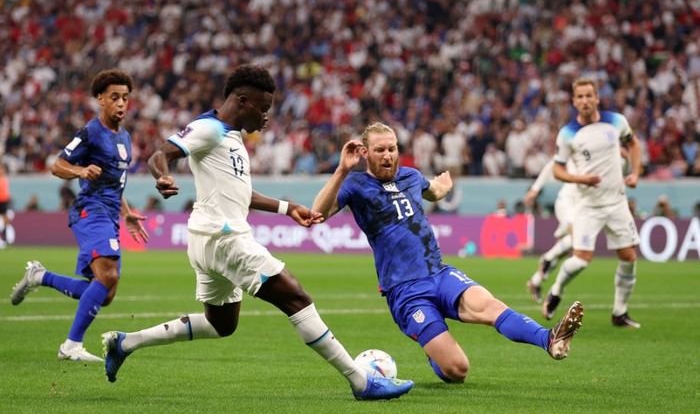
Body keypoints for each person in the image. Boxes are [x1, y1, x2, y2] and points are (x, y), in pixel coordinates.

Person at [100, 65, 413, 401]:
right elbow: (160, 154)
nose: (266, 117)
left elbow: (240, 193)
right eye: (262, 109)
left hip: (206, 239)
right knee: (296, 298)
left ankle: (125, 342)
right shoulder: (210, 129)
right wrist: (162, 176)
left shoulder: (232, 137)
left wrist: (287, 207)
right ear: (243, 100)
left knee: (222, 324)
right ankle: (362, 382)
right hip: (224, 239)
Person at [312, 122, 584, 384]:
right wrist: (341, 171)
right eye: (380, 150)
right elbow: (318, 214)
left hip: (439, 273)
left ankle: (550, 339)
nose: (387, 156)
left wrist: (443, 186)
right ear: (365, 153)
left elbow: (432, 193)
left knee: (491, 307)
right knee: (458, 370)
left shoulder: (411, 176)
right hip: (406, 291)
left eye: (392, 149)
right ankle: (434, 354)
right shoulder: (355, 185)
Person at [10, 69, 149, 361]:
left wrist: (126, 214)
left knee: (105, 292)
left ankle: (39, 276)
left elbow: (115, 183)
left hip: (110, 215)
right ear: (100, 99)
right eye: (114, 98)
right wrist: (80, 170)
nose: (121, 103)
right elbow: (57, 165)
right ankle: (71, 345)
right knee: (108, 274)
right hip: (91, 210)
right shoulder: (90, 133)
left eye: (125, 98)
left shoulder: (124, 137)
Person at [543, 77, 642, 329]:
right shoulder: (567, 134)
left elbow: (633, 143)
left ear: (597, 98)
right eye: (580, 97)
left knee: (629, 256)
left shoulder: (616, 121)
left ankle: (620, 312)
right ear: (574, 101)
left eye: (589, 96)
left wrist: (635, 173)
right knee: (581, 259)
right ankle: (556, 291)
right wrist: (580, 178)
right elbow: (557, 170)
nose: (585, 101)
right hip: (588, 206)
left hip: (617, 202)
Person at [523, 158, 578, 303]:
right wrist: (535, 189)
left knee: (563, 252)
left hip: (581, 206)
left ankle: (535, 282)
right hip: (568, 202)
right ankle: (546, 258)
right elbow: (553, 164)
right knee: (576, 237)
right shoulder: (577, 142)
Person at [0, 163, 12, 248]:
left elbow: (5, 192)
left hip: (3, 202)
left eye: (2, 169)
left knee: (6, 221)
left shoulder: (5, 179)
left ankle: (5, 238)